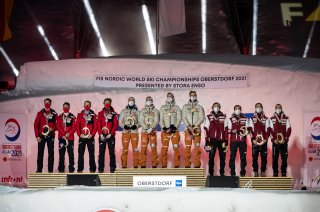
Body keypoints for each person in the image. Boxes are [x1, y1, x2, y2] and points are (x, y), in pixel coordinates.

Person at [204, 102, 228, 176]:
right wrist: (207, 140)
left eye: (218, 106)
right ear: (212, 107)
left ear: (220, 107)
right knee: (211, 157)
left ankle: (222, 173)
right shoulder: (208, 117)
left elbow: (226, 129)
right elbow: (206, 129)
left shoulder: (224, 117)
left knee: (222, 158)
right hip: (212, 140)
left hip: (221, 140)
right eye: (215, 106)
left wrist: (226, 140)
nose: (216, 107)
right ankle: (211, 173)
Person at [182, 91, 205, 168]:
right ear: (189, 96)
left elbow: (202, 118)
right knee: (188, 147)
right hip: (188, 130)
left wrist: (194, 126)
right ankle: (187, 165)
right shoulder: (185, 107)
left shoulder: (199, 107)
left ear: (196, 96)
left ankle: (197, 165)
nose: (193, 97)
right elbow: (183, 117)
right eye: (191, 95)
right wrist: (189, 126)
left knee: (197, 147)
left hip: (196, 130)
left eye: (194, 95)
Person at [34, 98, 57, 173]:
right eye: (45, 102)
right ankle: (39, 170)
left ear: (50, 103)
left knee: (51, 153)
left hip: (51, 136)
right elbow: (35, 125)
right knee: (40, 153)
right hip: (41, 136)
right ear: (44, 104)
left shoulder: (54, 113)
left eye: (48, 102)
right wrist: (37, 136)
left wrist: (52, 129)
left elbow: (57, 125)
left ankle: (50, 171)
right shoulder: (40, 113)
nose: (46, 104)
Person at [248, 103, 271, 177]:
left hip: (263, 141)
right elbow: (250, 129)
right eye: (257, 107)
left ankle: (263, 171)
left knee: (264, 157)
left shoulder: (266, 119)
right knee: (254, 158)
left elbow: (268, 129)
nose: (258, 108)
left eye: (260, 107)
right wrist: (253, 139)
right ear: (255, 108)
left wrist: (266, 139)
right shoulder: (252, 118)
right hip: (255, 141)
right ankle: (255, 172)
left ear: (262, 108)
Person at [159, 92, 182, 168]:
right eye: (168, 96)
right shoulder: (162, 108)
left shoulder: (177, 108)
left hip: (175, 131)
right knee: (164, 149)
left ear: (173, 98)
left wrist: (174, 127)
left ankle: (177, 165)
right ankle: (164, 165)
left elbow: (179, 118)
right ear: (166, 97)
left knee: (176, 148)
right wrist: (164, 128)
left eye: (171, 96)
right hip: (165, 131)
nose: (169, 98)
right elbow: (161, 119)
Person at [97, 98, 118, 173]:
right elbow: (98, 124)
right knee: (101, 153)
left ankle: (113, 169)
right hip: (102, 136)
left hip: (110, 136)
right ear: (103, 103)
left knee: (111, 152)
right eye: (106, 103)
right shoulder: (100, 113)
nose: (107, 104)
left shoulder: (114, 114)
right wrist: (100, 134)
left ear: (110, 104)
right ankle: (100, 169)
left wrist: (111, 134)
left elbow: (115, 124)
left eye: (108, 103)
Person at [270, 104, 291, 177]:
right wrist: (273, 139)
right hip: (276, 142)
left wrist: (285, 138)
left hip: (284, 142)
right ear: (275, 109)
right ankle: (275, 172)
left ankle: (283, 172)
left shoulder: (286, 118)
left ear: (282, 108)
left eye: (279, 107)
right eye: (277, 107)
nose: (278, 109)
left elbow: (289, 129)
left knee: (284, 158)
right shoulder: (272, 118)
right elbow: (270, 130)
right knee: (275, 158)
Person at [227, 105, 249, 177]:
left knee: (243, 158)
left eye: (239, 108)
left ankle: (243, 173)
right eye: (236, 109)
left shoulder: (245, 119)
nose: (237, 110)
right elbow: (227, 129)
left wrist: (245, 131)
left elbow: (248, 129)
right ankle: (232, 173)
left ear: (241, 109)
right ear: (234, 110)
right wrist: (232, 131)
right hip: (234, 141)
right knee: (232, 157)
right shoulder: (230, 119)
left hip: (243, 141)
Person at [76, 100, 97, 173]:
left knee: (91, 154)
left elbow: (95, 126)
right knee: (80, 154)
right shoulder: (79, 115)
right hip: (82, 137)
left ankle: (92, 170)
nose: (87, 106)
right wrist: (79, 134)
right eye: (85, 105)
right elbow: (77, 126)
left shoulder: (94, 115)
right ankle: (80, 170)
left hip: (90, 137)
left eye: (88, 105)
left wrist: (92, 134)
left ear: (90, 106)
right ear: (83, 106)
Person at [138, 96, 160, 168]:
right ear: (145, 101)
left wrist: (151, 128)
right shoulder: (142, 111)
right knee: (143, 148)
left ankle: (154, 164)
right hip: (144, 132)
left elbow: (156, 120)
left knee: (153, 147)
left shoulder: (156, 111)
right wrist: (146, 128)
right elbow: (141, 120)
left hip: (153, 132)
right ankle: (143, 164)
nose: (149, 101)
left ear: (152, 101)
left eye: (150, 100)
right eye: (147, 100)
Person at [119, 97, 140, 168]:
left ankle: (136, 166)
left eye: (132, 100)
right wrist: (124, 126)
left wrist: (136, 126)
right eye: (130, 100)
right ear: (128, 101)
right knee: (125, 149)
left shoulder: (137, 111)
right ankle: (124, 166)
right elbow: (120, 122)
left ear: (134, 101)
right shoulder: (123, 111)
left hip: (134, 132)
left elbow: (140, 122)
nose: (131, 101)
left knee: (135, 149)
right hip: (126, 132)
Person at [56, 102, 76, 173]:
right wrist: (64, 134)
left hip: (70, 138)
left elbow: (74, 127)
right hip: (62, 138)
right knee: (61, 154)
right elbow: (58, 126)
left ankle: (71, 170)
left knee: (71, 154)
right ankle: (61, 170)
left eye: (67, 106)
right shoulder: (59, 117)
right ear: (62, 108)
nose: (65, 108)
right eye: (64, 106)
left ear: (69, 108)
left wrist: (69, 134)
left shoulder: (73, 117)